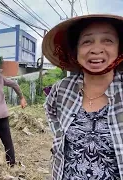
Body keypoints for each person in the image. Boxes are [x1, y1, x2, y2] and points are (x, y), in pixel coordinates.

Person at [43, 14, 123, 179]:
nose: (96, 49)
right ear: (76, 50)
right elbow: (49, 109)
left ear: (120, 49)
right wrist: (60, 135)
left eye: (108, 40)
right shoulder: (62, 89)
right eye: (87, 41)